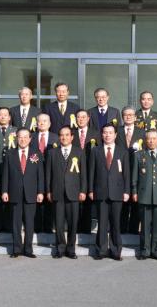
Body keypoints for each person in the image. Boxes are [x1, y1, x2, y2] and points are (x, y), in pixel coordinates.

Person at [88, 123, 129, 261]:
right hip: (100, 191)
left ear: (115, 135)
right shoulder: (96, 151)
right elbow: (91, 172)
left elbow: (126, 174)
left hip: (117, 192)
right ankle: (101, 250)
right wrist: (91, 189)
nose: (107, 135)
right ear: (102, 134)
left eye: (110, 132)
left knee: (116, 223)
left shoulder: (122, 151)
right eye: (105, 132)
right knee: (102, 222)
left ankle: (116, 250)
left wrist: (127, 191)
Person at [2, 128, 44, 258]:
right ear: (16, 138)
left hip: (31, 193)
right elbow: (5, 174)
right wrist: (4, 191)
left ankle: (28, 249)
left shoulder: (36, 154)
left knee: (30, 223)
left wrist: (41, 192)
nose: (23, 139)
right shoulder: (10, 154)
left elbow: (40, 175)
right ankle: (17, 249)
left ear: (30, 139)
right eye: (20, 137)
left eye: (26, 137)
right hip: (14, 193)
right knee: (16, 223)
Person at [46, 126, 87, 259]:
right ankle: (60, 248)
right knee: (58, 223)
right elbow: (48, 174)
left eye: (67, 135)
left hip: (73, 192)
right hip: (57, 192)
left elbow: (84, 174)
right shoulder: (52, 152)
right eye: (62, 135)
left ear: (72, 137)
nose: (64, 137)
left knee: (73, 222)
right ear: (59, 137)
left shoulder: (79, 152)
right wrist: (48, 191)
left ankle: (71, 249)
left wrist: (83, 190)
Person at [132, 130, 157, 261]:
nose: (151, 141)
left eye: (154, 139)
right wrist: (134, 192)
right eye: (149, 139)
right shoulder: (139, 155)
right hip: (144, 194)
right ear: (145, 140)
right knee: (144, 225)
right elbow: (134, 176)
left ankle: (156, 250)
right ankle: (144, 250)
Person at [72, 109, 101, 234]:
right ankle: (75, 228)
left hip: (91, 170)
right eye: (78, 117)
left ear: (88, 118)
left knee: (88, 200)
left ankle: (86, 228)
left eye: (83, 117)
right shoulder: (71, 133)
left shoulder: (96, 133)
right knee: (75, 200)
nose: (81, 119)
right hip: (74, 171)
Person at [116, 106, 144, 234]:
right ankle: (121, 229)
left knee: (135, 201)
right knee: (122, 201)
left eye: (131, 115)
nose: (128, 117)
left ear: (135, 117)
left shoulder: (142, 132)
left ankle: (133, 229)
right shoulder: (117, 131)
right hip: (119, 170)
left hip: (137, 170)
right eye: (125, 115)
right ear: (122, 117)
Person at [31, 113, 59, 233]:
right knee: (35, 199)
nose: (41, 123)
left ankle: (48, 227)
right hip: (34, 172)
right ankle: (36, 226)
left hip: (51, 172)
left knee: (49, 199)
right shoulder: (31, 137)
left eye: (44, 121)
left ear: (50, 123)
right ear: (36, 124)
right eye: (39, 121)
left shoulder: (56, 137)